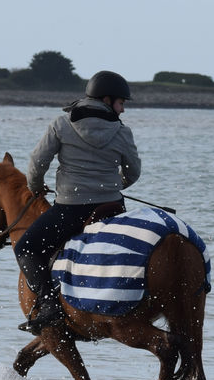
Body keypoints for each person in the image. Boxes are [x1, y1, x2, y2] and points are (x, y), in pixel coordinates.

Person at [15, 70, 141, 334]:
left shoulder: (61, 124)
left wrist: (36, 189)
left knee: (26, 247)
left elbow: (37, 165)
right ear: (106, 99)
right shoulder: (122, 131)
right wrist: (113, 186)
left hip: (70, 210)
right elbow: (133, 173)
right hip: (112, 209)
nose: (123, 110)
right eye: (122, 103)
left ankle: (49, 306)